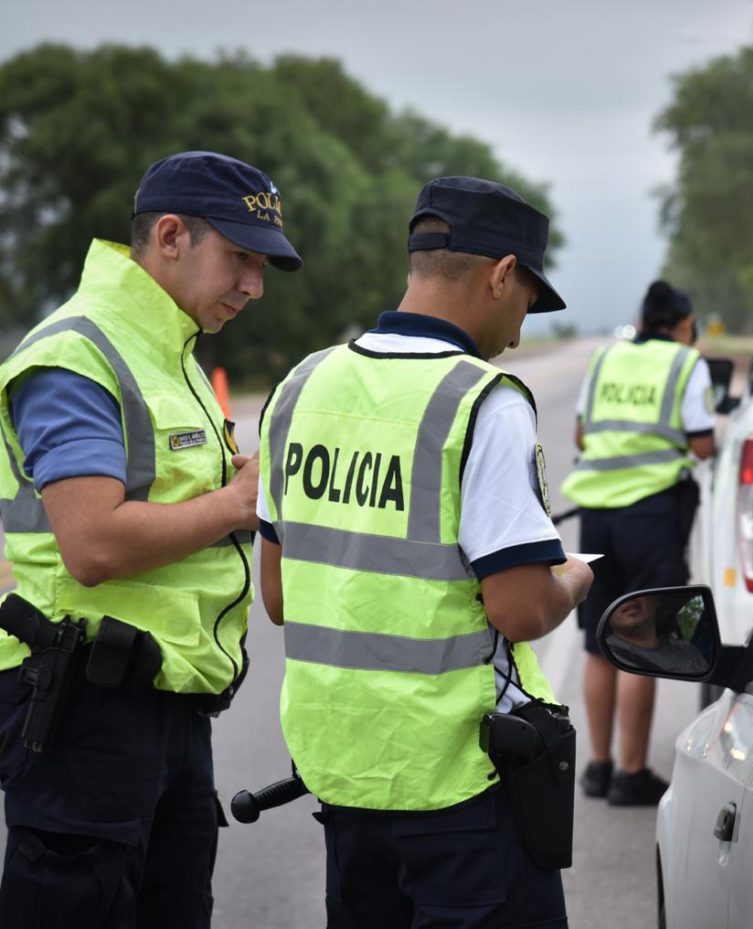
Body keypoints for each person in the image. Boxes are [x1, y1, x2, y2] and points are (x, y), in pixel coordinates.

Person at [257, 176, 594, 928]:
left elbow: (279, 598)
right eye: (527, 303)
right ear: (502, 273)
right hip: (461, 784)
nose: (517, 332)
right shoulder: (484, 401)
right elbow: (517, 606)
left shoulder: (300, 386)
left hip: (343, 777)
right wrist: (570, 581)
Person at [0, 150, 301, 927]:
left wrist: (224, 484)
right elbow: (93, 543)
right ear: (170, 235)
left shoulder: (167, 347)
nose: (253, 286)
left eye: (262, 264)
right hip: (85, 714)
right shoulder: (81, 353)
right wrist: (236, 504)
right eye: (239, 258)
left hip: (163, 710)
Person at [561, 280, 715, 806]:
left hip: (597, 515)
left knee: (599, 642)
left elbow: (582, 436)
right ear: (684, 323)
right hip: (650, 514)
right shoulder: (685, 363)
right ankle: (631, 774)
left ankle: (598, 767)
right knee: (641, 637)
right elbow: (702, 443)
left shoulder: (606, 360)